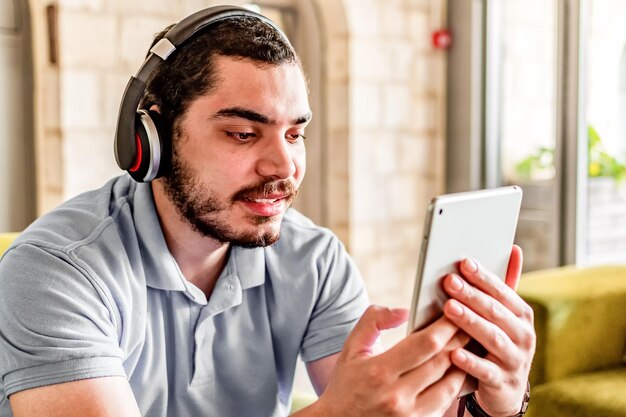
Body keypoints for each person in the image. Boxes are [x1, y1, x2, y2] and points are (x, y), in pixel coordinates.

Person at [0, 6, 535, 417]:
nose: (284, 165)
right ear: (152, 139)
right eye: (242, 133)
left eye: (295, 133)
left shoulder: (315, 259)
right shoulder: (54, 271)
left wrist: (494, 401)